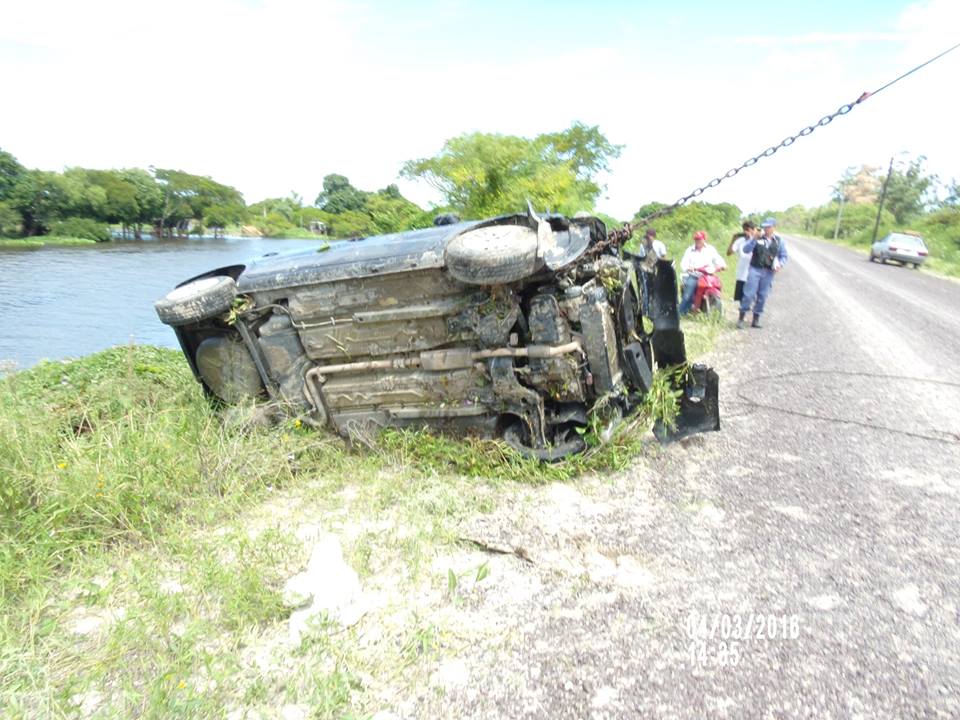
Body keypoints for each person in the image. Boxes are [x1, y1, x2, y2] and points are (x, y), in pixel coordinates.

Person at [738, 217, 788, 329]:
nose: (766, 229)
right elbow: (746, 250)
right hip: (755, 269)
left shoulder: (779, 241)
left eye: (768, 227)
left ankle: (756, 319)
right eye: (765, 227)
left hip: (769, 272)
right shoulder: (757, 238)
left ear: (774, 227)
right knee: (749, 294)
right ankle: (741, 318)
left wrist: (780, 264)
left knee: (763, 296)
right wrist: (754, 239)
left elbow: (784, 256)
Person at [679, 230, 726, 315]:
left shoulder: (710, 249)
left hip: (708, 275)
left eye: (700, 239)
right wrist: (688, 268)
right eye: (696, 239)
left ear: (704, 239)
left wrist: (722, 265)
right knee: (687, 295)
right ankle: (680, 313)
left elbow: (718, 259)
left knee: (718, 285)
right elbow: (683, 263)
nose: (698, 241)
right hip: (695, 275)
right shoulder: (690, 250)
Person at [726, 221, 757, 303]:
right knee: (739, 300)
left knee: (750, 300)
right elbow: (729, 253)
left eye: (748, 230)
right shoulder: (740, 241)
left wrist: (753, 239)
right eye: (744, 230)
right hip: (741, 274)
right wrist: (733, 239)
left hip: (753, 274)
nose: (746, 232)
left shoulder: (758, 241)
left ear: (754, 230)